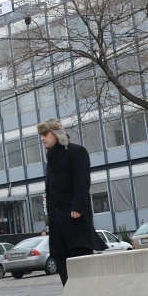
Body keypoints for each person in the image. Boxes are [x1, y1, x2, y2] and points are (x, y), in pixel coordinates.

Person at [38, 118, 105, 286]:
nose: (42, 139)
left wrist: (78, 208)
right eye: (41, 135)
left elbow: (82, 182)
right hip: (57, 220)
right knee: (60, 257)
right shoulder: (50, 160)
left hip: (74, 218)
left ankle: (85, 295)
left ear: (56, 134)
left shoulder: (76, 152)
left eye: (45, 134)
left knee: (79, 256)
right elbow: (50, 190)